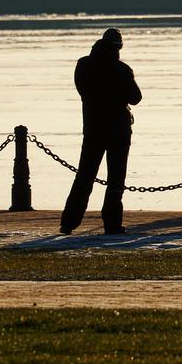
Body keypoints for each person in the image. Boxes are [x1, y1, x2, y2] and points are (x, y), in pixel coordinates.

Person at [60, 28, 142, 235]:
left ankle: (69, 222)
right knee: (116, 179)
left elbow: (83, 90)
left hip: (93, 128)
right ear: (119, 48)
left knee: (84, 176)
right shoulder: (121, 70)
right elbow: (136, 97)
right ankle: (112, 224)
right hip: (118, 130)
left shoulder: (83, 65)